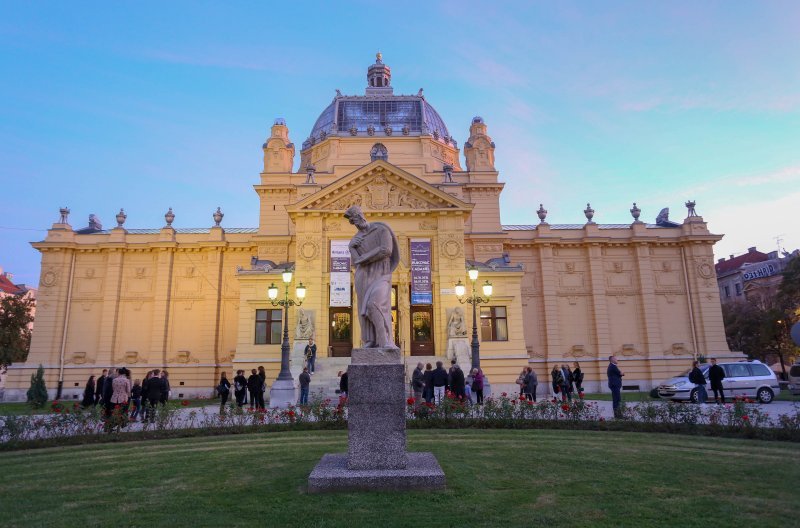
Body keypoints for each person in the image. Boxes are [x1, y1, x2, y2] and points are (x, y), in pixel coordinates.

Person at [344, 205, 400, 348]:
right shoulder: (355, 240)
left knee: (374, 304)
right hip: (364, 277)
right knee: (364, 310)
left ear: (361, 216)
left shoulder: (381, 229)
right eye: (352, 222)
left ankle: (385, 340)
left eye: (355, 219)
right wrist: (351, 248)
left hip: (382, 275)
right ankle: (370, 340)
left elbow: (386, 250)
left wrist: (365, 258)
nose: (355, 223)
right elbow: (357, 262)